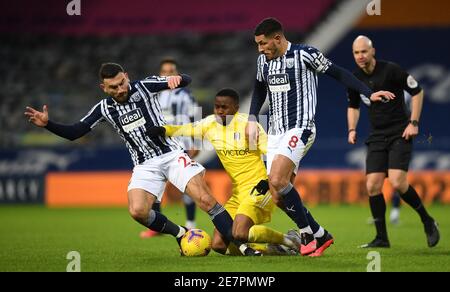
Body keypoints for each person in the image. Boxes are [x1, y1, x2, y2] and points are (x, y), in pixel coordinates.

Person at [24, 62, 261, 256]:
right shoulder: (104, 108)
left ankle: (242, 247)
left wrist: (176, 80)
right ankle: (181, 234)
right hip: (144, 165)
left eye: (122, 83)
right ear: (103, 88)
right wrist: (47, 125)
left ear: (126, 76)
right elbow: (76, 132)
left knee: (206, 200)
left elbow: (186, 79)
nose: (120, 89)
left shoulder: (145, 86)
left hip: (171, 154)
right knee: (138, 211)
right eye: (113, 87)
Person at [246, 18, 394, 254]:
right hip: (274, 132)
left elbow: (339, 73)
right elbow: (259, 89)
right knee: (277, 196)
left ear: (277, 38)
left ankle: (307, 235)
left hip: (300, 127)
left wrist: (369, 92)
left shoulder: (305, 55)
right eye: (258, 45)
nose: (260, 49)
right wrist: (253, 118)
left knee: (276, 179)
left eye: (263, 43)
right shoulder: (263, 61)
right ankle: (319, 233)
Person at [148, 88, 334, 256]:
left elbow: (270, 151)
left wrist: (267, 179)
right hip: (238, 193)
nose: (219, 111)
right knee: (219, 245)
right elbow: (186, 129)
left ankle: (290, 240)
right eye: (217, 106)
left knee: (239, 233)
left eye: (224, 107)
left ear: (236, 107)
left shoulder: (248, 126)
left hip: (259, 188)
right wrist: (163, 130)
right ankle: (273, 249)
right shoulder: (210, 124)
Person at [347, 35, 440, 248]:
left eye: (363, 51)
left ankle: (427, 221)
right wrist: (352, 129)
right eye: (356, 53)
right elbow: (353, 106)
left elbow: (417, 92)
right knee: (372, 185)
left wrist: (413, 122)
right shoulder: (354, 78)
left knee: (398, 182)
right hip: (377, 136)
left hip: (400, 133)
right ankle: (382, 238)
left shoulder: (391, 70)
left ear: (373, 51)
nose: (360, 56)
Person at [140, 58, 199, 239]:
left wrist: (195, 143)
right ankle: (158, 227)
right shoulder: (153, 94)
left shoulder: (184, 95)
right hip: (159, 146)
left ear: (176, 74)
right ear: (160, 74)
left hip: (181, 144)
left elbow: (195, 117)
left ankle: (190, 224)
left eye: (171, 71)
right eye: (164, 71)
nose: (168, 74)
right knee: (156, 185)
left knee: (187, 183)